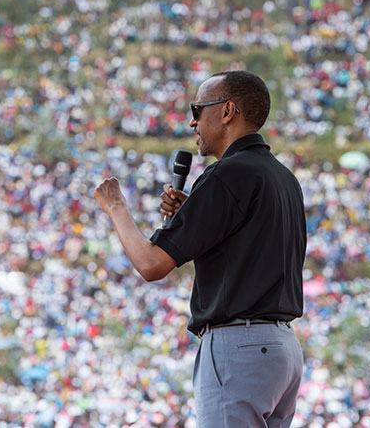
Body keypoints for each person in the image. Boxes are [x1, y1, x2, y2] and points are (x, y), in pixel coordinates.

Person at [94, 70, 307, 427]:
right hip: (281, 349)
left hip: (239, 347)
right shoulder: (283, 177)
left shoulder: (226, 174)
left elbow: (151, 265)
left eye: (197, 109)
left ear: (226, 112)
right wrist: (193, 216)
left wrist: (115, 206)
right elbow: (243, 253)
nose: (192, 122)